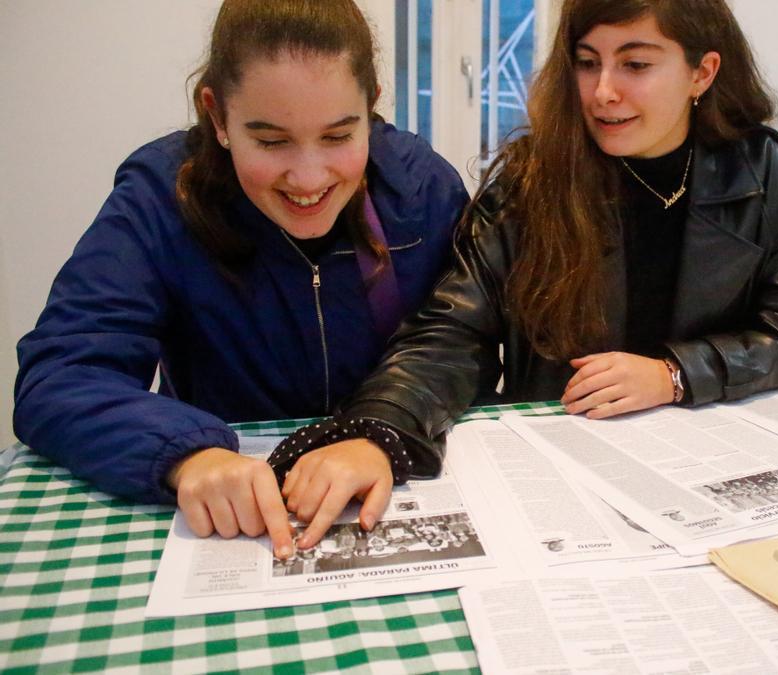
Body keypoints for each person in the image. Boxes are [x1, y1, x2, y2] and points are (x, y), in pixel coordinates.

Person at [270, 0, 778, 550]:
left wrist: (674, 374)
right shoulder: (532, 179)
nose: (603, 91)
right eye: (587, 63)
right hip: (567, 469)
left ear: (701, 73)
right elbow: (451, 333)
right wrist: (377, 431)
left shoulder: (759, 170)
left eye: (635, 65)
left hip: (713, 461)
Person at [12, 0, 467, 559]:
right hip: (237, 513)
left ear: (371, 108)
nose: (308, 178)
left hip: (390, 478)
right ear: (218, 117)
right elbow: (62, 374)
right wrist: (188, 456)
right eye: (271, 141)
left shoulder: (422, 188)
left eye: (338, 136)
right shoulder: (159, 197)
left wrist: (381, 428)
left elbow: (459, 340)